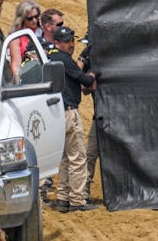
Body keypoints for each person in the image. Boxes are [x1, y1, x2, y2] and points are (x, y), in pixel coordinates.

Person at [49, 26, 99, 212]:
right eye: (66, 41)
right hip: (69, 112)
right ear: (57, 43)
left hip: (55, 114)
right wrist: (93, 74)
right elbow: (85, 81)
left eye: (71, 40)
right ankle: (77, 200)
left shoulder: (51, 58)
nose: (70, 44)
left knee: (64, 158)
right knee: (78, 157)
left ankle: (63, 197)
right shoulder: (65, 60)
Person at [76, 32, 99, 202]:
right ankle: (85, 191)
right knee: (90, 152)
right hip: (100, 115)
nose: (86, 48)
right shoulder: (89, 57)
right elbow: (83, 86)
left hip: (120, 115)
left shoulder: (111, 57)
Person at [7, 0, 42, 82]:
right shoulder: (16, 37)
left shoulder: (42, 31)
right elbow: (16, 65)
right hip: (27, 77)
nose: (34, 20)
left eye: (36, 17)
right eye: (30, 18)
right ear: (22, 19)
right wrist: (19, 84)